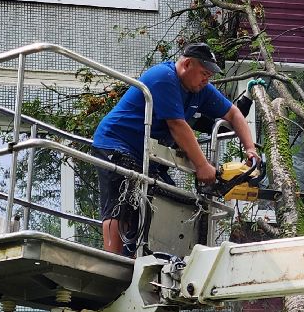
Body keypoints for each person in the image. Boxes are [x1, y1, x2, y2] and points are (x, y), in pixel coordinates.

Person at [90, 43, 259, 256]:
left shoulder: (200, 90)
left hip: (147, 155)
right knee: (121, 203)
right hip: (116, 143)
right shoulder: (164, 77)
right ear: (187, 64)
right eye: (204, 73)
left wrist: (250, 149)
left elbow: (234, 114)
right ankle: (114, 260)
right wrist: (202, 165)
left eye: (209, 75)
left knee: (169, 200)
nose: (207, 79)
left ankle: (152, 255)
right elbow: (178, 126)